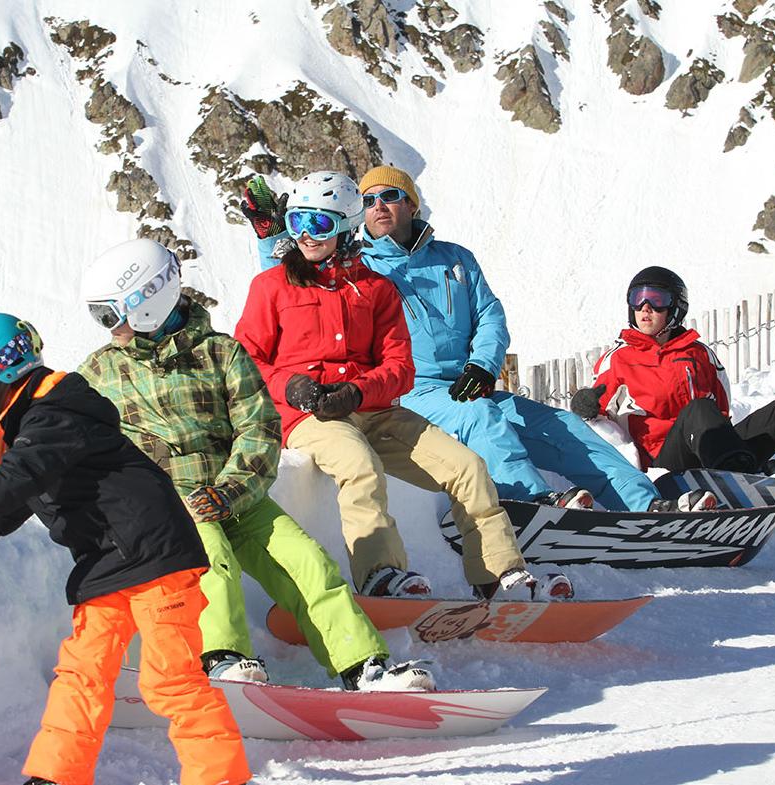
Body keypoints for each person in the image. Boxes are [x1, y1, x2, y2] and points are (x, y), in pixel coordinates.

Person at [0, 313, 249, 785]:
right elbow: (4, 509)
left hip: (156, 557)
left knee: (170, 680)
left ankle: (220, 777)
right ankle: (57, 776)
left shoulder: (56, 415)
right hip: (106, 563)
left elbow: (10, 482)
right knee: (82, 674)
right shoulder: (36, 430)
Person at [242, 166, 711, 514]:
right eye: (368, 200)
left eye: (390, 196)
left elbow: (489, 315)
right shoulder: (359, 267)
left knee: (562, 426)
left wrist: (483, 365)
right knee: (479, 417)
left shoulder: (454, 259)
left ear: (411, 205)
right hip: (409, 391)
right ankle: (533, 502)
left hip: (468, 382)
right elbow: (293, 277)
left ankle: (645, 504)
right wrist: (269, 236)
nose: (379, 205)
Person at [76, 238, 433, 691]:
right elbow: (71, 438)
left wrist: (230, 490)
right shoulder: (101, 373)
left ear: (148, 301)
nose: (111, 329)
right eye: (102, 317)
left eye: (111, 315)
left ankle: (362, 665)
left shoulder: (221, 354)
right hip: (173, 503)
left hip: (238, 496)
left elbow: (258, 429)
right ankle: (220, 657)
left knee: (309, 563)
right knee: (212, 561)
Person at [235, 171, 570, 602]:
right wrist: (292, 386)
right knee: (359, 465)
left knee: (467, 468)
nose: (305, 235)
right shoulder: (272, 286)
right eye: (296, 221)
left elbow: (399, 367)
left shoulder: (375, 289)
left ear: (345, 225)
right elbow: (247, 360)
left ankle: (500, 575)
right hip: (307, 414)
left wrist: (359, 392)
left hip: (374, 410)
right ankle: (381, 574)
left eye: (318, 223)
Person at [571, 265, 775, 483]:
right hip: (666, 465)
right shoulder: (620, 358)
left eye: (656, 299)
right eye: (638, 298)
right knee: (698, 410)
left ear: (675, 308)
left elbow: (723, 412)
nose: (645, 308)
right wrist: (585, 404)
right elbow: (594, 414)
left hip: (716, 453)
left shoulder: (699, 354)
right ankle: (744, 479)